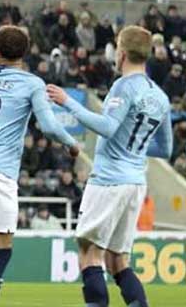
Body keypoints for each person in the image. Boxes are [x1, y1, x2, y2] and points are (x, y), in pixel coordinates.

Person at [0, 25, 79, 307]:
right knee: (1, 249)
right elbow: (49, 127)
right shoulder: (32, 83)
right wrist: (72, 144)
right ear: (26, 51)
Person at [47, 25, 173, 307]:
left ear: (122, 53)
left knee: (89, 252)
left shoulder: (123, 86)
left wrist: (68, 102)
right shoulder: (160, 96)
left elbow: (107, 126)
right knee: (118, 260)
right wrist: (132, 146)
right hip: (135, 183)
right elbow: (165, 149)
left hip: (108, 181)